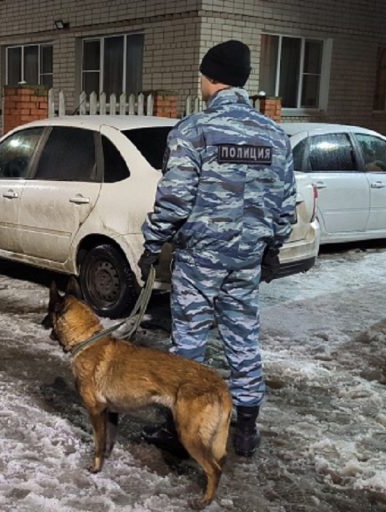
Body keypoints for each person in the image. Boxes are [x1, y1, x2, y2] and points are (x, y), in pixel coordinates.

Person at [137, 40, 296, 457]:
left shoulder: (194, 130)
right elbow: (284, 203)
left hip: (200, 259)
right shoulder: (275, 135)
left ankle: (180, 431)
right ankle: (245, 431)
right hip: (246, 259)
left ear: (209, 79)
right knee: (242, 338)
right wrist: (272, 247)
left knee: (189, 340)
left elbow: (174, 200)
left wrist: (152, 243)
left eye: (202, 76)